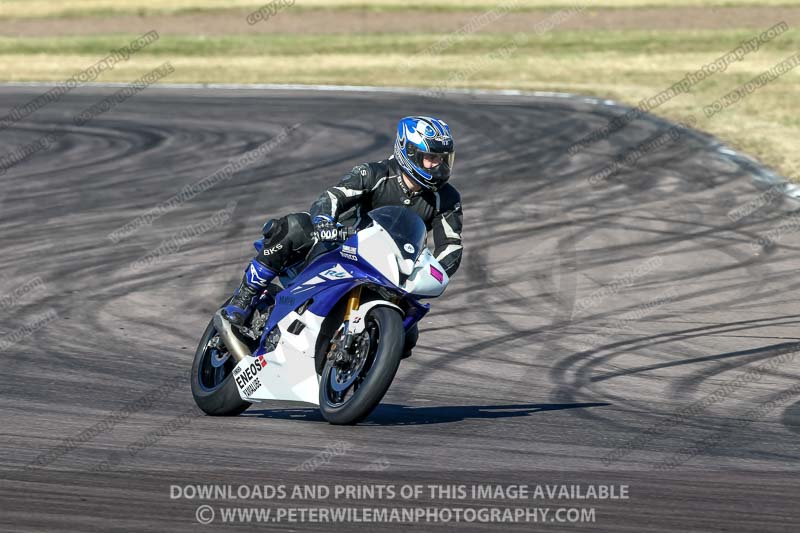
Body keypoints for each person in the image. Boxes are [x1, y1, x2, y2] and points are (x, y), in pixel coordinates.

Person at [221, 116, 463, 356]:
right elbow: (332, 196)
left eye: (444, 159)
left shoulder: (447, 199)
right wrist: (324, 221)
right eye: (431, 158)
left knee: (406, 337)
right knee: (294, 226)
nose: (439, 166)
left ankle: (357, 364)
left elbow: (451, 245)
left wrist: (429, 276)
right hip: (342, 246)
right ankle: (246, 296)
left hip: (392, 271)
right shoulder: (374, 173)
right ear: (408, 152)